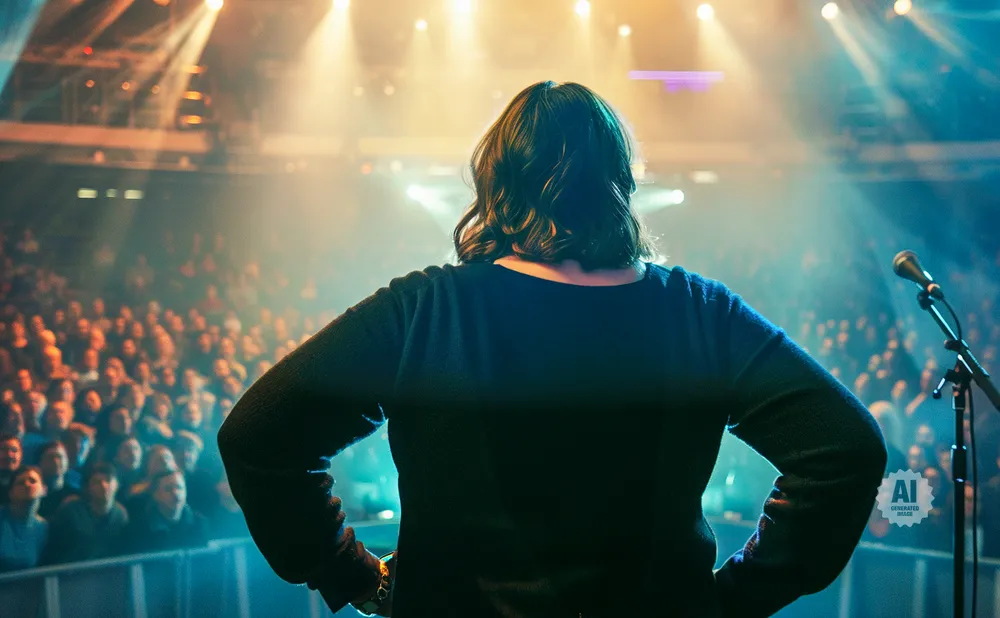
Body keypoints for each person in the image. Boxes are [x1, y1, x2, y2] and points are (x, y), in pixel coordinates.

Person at [218, 81, 888, 617]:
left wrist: (351, 575)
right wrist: (740, 595)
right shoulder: (698, 313)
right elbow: (845, 451)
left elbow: (258, 438)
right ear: (620, 182)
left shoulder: (426, 310)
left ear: (497, 181)